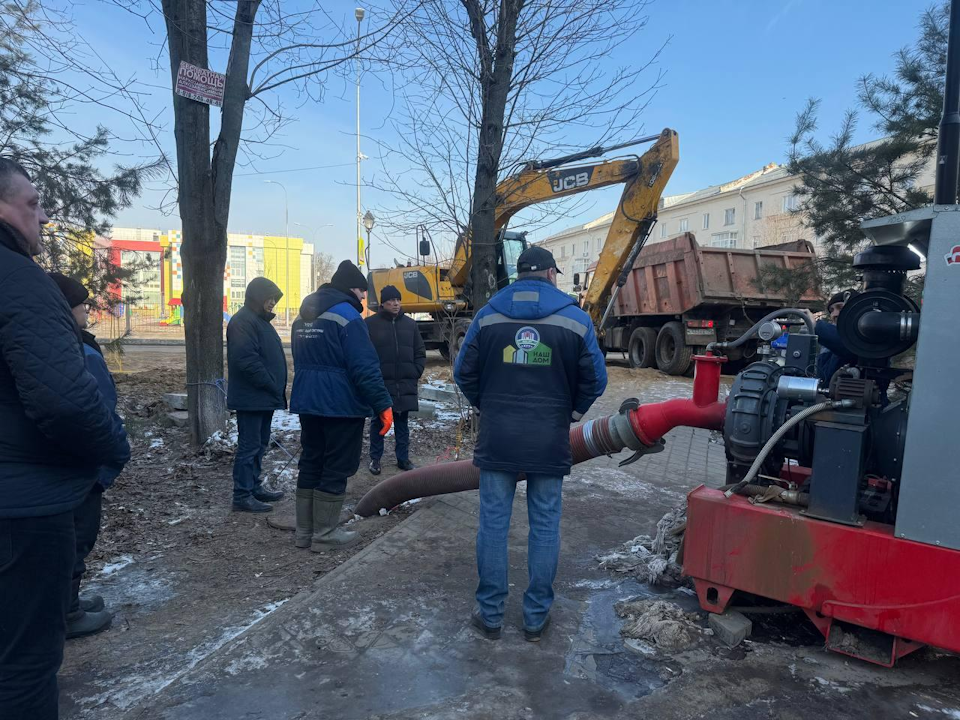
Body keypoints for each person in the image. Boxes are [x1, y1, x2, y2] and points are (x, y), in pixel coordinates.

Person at [0, 158, 130, 719]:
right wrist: (113, 448)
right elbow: (66, 400)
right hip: (22, 507)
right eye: (33, 204)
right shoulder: (19, 279)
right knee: (24, 663)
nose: (43, 216)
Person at [454, 246, 607, 642]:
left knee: (492, 524)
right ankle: (536, 617)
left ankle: (490, 616)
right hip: (548, 437)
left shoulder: (488, 315)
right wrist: (570, 415)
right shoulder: (575, 319)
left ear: (518, 275)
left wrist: (486, 406)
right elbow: (595, 380)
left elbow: (463, 372)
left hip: (499, 435)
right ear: (551, 274)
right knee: (544, 526)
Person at [290, 261, 393, 551]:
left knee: (311, 460)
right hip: (340, 403)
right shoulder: (347, 316)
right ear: (351, 288)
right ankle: (325, 535)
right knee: (336, 466)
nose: (363, 298)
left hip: (308, 400)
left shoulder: (303, 316)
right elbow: (364, 366)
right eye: (361, 291)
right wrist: (382, 403)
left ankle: (305, 533)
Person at [48, 273, 127, 640]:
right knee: (77, 537)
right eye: (80, 304)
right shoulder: (74, 350)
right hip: (83, 466)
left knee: (75, 537)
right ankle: (67, 613)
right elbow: (94, 410)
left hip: (77, 465)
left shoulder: (64, 344)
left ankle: (69, 601)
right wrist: (112, 454)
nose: (86, 310)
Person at [226, 277, 288, 513]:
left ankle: (253, 486)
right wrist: (271, 384)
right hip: (251, 398)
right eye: (269, 298)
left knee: (260, 444)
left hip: (262, 398)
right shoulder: (243, 322)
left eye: (275, 299)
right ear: (257, 298)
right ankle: (242, 495)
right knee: (249, 446)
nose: (272, 303)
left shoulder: (259, 321)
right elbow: (246, 361)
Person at [365, 285, 426, 475]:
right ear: (383, 303)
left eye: (398, 300)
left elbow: (420, 351)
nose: (395, 303)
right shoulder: (370, 324)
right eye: (391, 300)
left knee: (402, 423)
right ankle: (375, 459)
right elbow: (365, 355)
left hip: (404, 384)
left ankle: (403, 459)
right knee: (379, 423)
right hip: (381, 384)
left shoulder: (410, 324)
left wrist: (415, 371)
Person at [815, 289, 857, 385]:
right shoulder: (827, 343)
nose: (834, 314)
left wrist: (816, 326)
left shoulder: (863, 339)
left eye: (840, 308)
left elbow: (846, 344)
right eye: (831, 310)